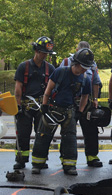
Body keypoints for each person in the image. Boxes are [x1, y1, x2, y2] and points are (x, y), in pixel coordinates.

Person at [31, 48, 93, 175]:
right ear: (75, 63)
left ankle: (69, 165)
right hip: (53, 108)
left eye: (86, 67)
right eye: (83, 67)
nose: (84, 70)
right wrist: (44, 105)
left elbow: (85, 96)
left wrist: (80, 111)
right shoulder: (60, 72)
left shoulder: (85, 78)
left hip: (70, 111)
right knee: (43, 136)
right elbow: (49, 88)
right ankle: (38, 164)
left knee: (70, 139)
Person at [13, 36, 56, 170]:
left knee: (42, 134)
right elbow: (18, 88)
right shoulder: (24, 67)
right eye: (43, 52)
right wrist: (18, 106)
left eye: (47, 53)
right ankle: (21, 159)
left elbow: (53, 88)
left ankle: (40, 160)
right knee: (23, 133)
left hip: (42, 106)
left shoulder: (50, 68)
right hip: (26, 106)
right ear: (36, 50)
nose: (45, 56)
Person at [60, 41, 103, 167]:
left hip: (86, 101)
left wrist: (95, 99)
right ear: (77, 50)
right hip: (69, 101)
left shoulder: (92, 64)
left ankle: (92, 157)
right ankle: (65, 157)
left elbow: (95, 82)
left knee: (91, 130)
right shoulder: (67, 62)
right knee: (68, 131)